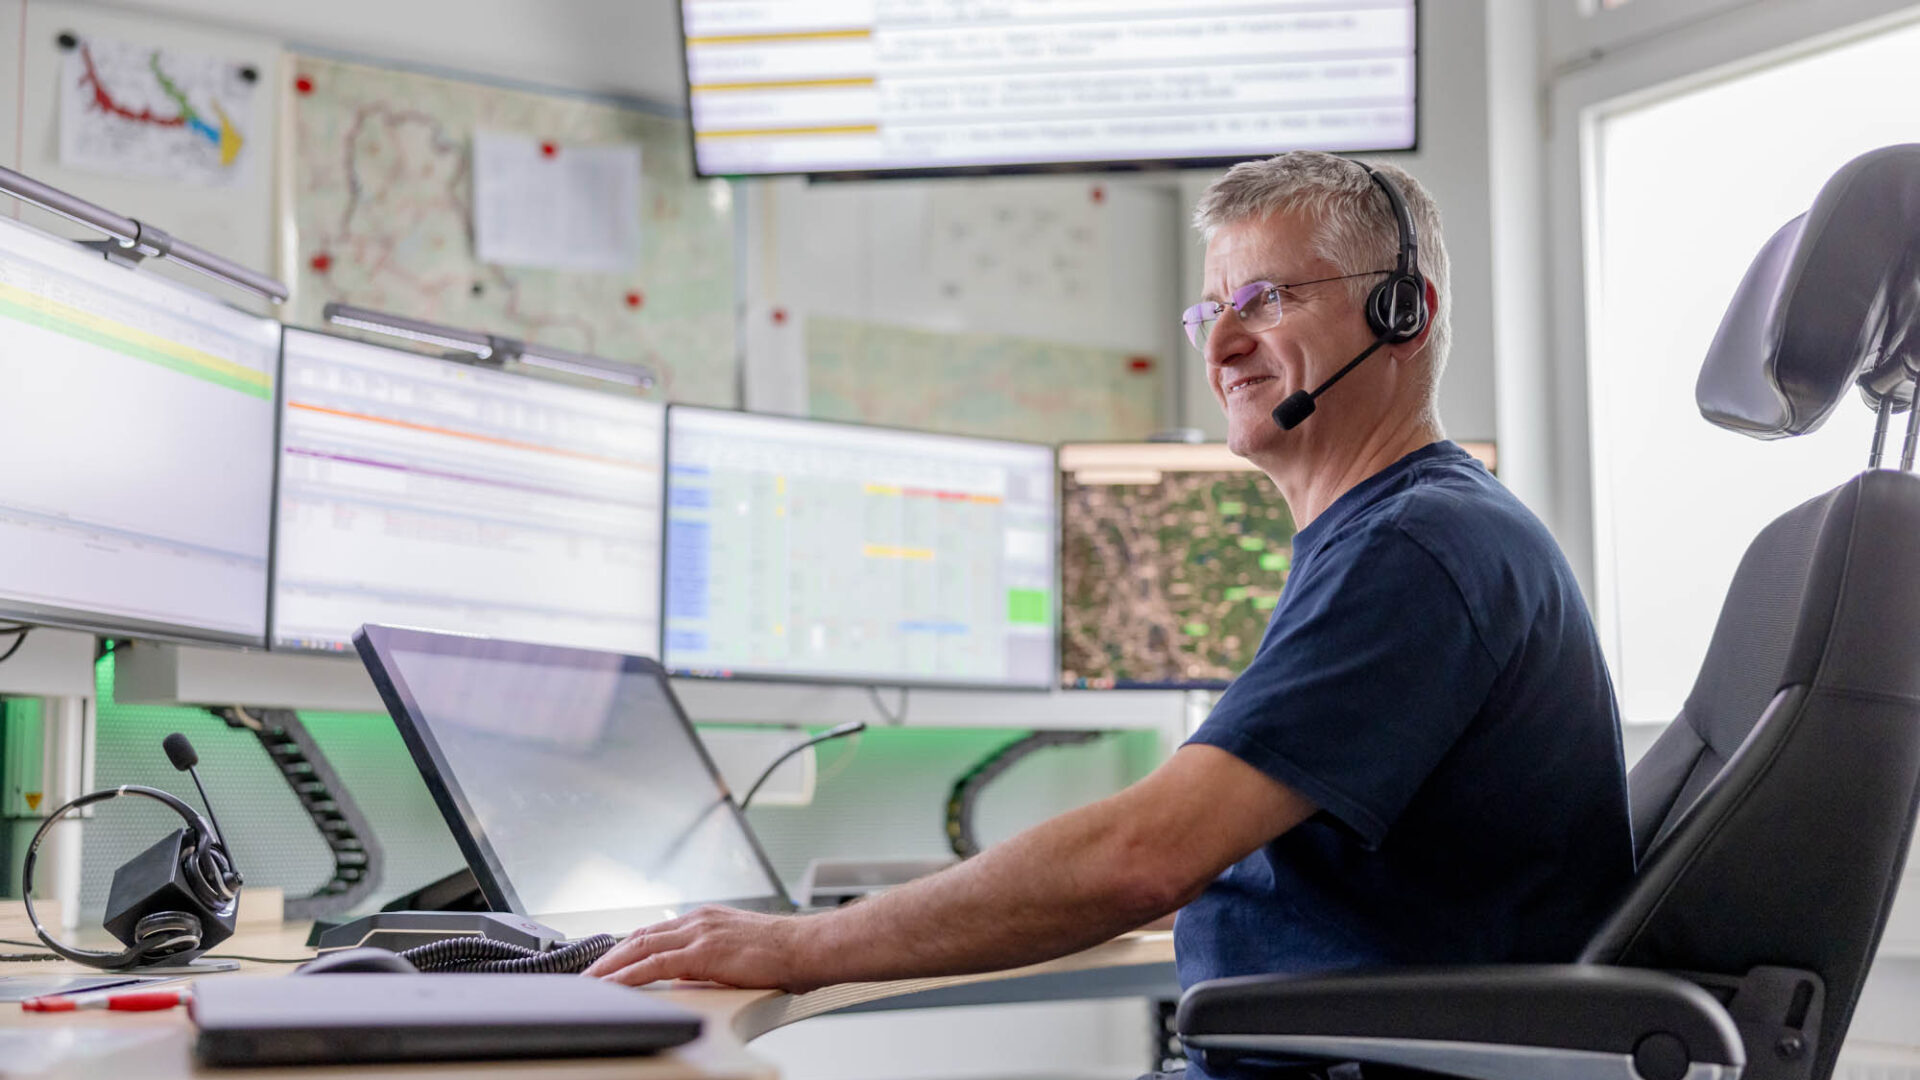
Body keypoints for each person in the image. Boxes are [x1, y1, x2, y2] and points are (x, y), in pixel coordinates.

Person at [586, 151, 1634, 1076]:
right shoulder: (1402, 532)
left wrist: (802, 945)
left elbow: (1146, 856)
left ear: (1405, 312)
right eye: (1209, 309)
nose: (1221, 341)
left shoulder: (1416, 548)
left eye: (1266, 298)